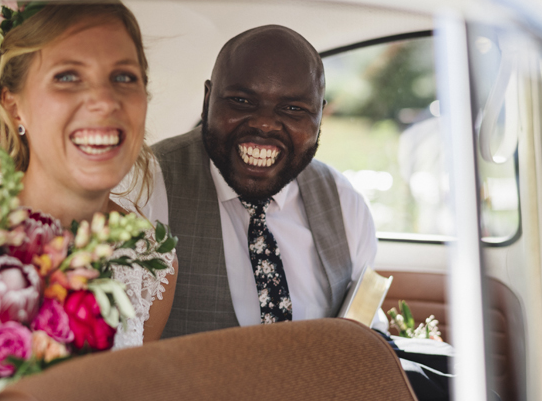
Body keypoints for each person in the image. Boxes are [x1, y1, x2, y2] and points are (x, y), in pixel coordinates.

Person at [141, 24, 377, 338]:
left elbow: (363, 328)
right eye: (242, 101)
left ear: (319, 117)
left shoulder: (345, 203)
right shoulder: (145, 187)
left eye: (293, 109)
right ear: (208, 99)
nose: (264, 124)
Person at [0, 1, 177, 347]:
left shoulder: (153, 260)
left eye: (124, 77)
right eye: (67, 77)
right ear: (13, 105)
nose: (104, 101)